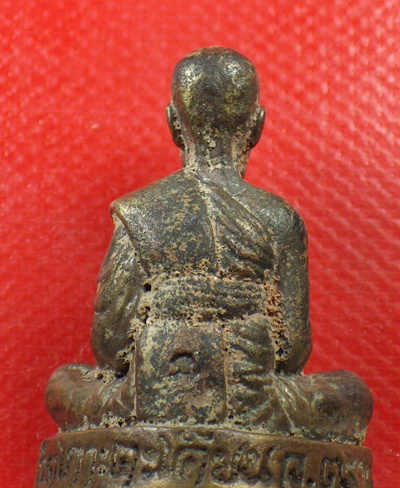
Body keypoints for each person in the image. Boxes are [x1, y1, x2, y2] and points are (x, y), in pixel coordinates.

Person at [46, 47, 372, 444]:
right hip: (253, 397)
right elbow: (292, 351)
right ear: (258, 125)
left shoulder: (140, 212)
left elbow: (111, 347)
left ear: (172, 123)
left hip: (152, 394)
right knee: (351, 394)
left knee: (65, 383)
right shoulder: (279, 218)